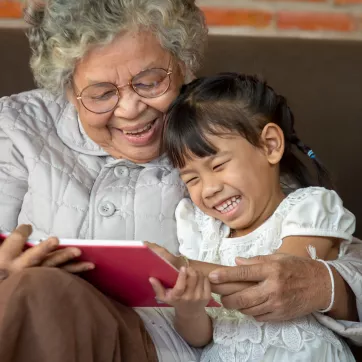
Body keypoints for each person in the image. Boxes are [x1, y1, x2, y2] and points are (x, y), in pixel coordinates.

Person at [0, 0, 361, 361]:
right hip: (37, 328)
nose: (130, 109)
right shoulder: (18, 127)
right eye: (102, 94)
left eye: (149, 81)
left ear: (183, 65)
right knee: (35, 291)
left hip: (166, 348)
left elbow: (313, 249)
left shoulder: (214, 130)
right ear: (67, 90)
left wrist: (327, 286)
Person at [150, 73, 356, 361]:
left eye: (218, 165)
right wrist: (190, 307)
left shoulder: (309, 210)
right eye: (192, 178)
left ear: (270, 145)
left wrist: (182, 269)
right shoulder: (202, 230)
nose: (209, 189)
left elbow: (276, 283)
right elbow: (200, 336)